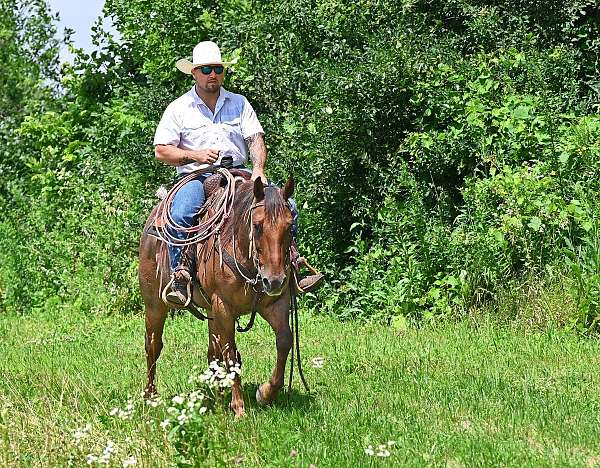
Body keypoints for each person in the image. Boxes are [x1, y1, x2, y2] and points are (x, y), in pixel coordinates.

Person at [153, 41, 322, 305]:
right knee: (182, 212)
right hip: (196, 175)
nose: (213, 75)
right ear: (194, 73)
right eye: (206, 69)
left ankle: (294, 265)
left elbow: (255, 139)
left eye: (218, 69)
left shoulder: (239, 103)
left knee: (287, 206)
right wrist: (194, 155)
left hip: (238, 173)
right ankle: (180, 275)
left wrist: (258, 170)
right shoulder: (179, 108)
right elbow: (162, 151)